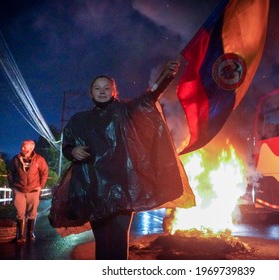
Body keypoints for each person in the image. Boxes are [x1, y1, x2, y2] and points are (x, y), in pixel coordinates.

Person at [51, 61, 195, 260]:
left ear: (114, 91)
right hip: (95, 190)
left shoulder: (125, 112)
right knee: (102, 243)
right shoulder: (79, 121)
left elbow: (148, 98)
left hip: (123, 189)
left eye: (106, 88)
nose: (102, 91)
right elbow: (66, 145)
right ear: (91, 92)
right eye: (97, 88)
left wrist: (166, 77)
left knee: (118, 240)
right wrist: (73, 150)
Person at [7, 140, 49, 243]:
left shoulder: (39, 159)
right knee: (20, 213)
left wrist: (41, 186)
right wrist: (12, 186)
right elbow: (10, 172)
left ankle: (30, 233)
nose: (22, 148)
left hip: (34, 190)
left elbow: (44, 172)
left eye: (24, 147)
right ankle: (20, 235)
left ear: (31, 149)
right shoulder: (16, 159)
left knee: (32, 213)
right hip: (19, 190)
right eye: (22, 146)